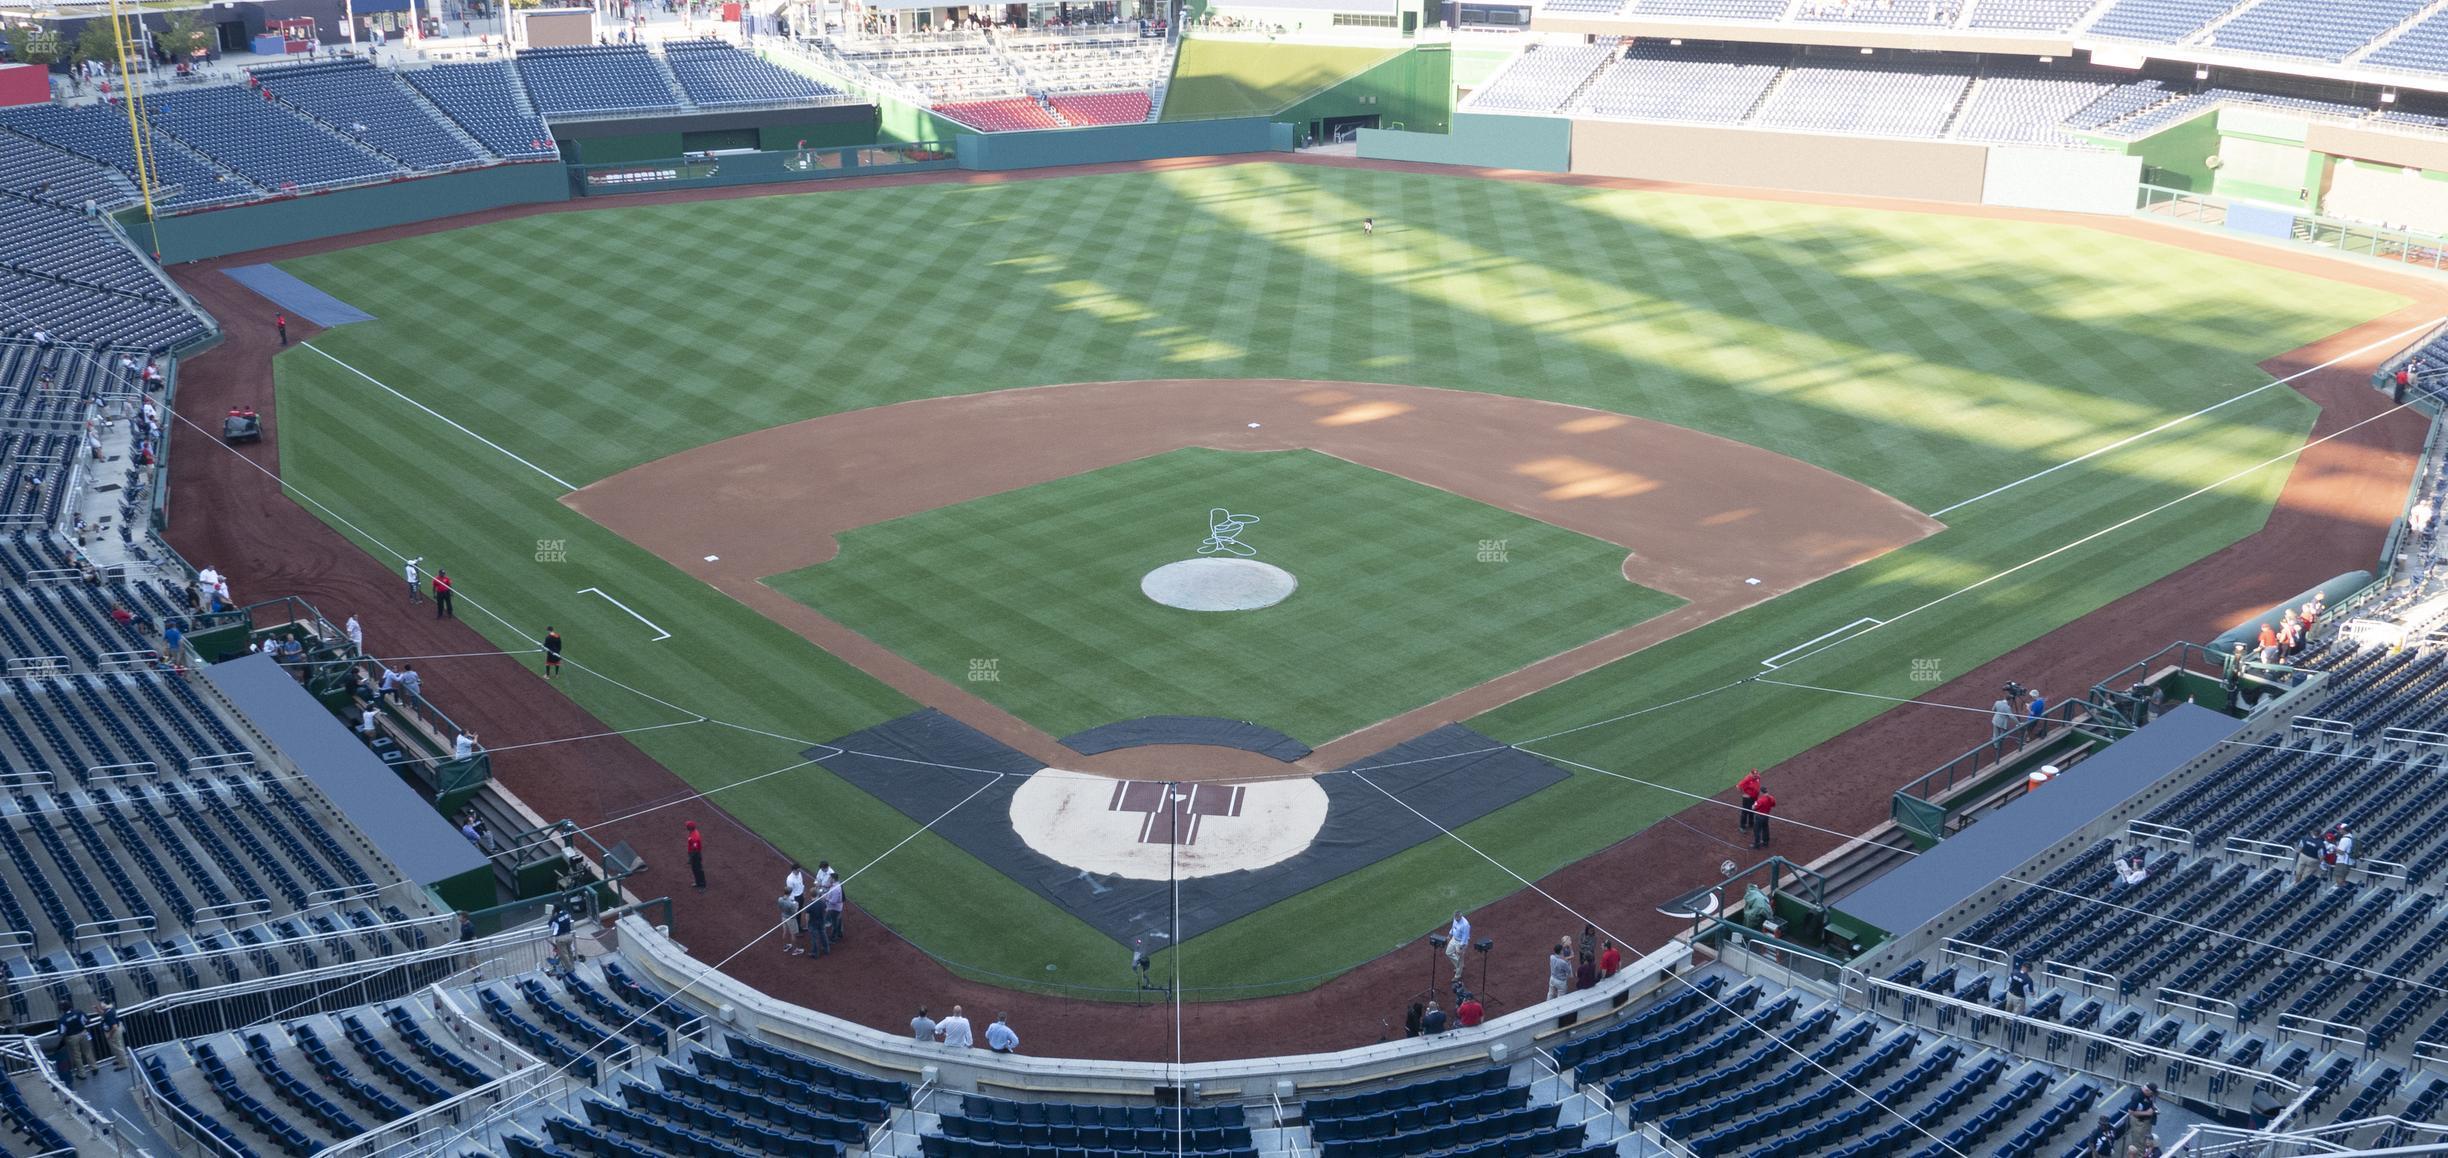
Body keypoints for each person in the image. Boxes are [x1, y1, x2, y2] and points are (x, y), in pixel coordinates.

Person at [56, 1006, 90, 1079]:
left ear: (61, 1010)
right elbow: (86, 1020)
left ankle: (82, 1074)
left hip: (72, 1037)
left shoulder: (62, 1019)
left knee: (77, 1056)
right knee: (88, 1051)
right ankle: (94, 1067)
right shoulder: (79, 1012)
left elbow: (61, 1032)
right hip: (83, 1033)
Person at [549, 905, 576, 976]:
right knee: (570, 952)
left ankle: (570, 969)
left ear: (555, 910)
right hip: (569, 936)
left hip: (561, 938)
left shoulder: (555, 918)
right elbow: (569, 919)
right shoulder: (566, 913)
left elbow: (550, 925)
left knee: (564, 954)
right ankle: (572, 966)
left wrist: (552, 915)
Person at [1446, 910, 1470, 981]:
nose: (1456, 919)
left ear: (1460, 916)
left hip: (1461, 942)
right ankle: (1460, 966)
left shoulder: (1465, 925)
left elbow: (1465, 937)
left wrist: (1461, 947)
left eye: (1457, 918)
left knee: (1460, 958)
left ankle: (1457, 976)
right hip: (1454, 939)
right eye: (1455, 917)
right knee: (1448, 953)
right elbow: (1453, 927)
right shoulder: (1455, 919)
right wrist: (1449, 935)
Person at [1737, 768, 1762, 832]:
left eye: (1756, 774)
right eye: (1754, 775)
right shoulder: (1747, 779)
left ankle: (1751, 823)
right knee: (1745, 812)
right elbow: (1738, 786)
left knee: (1752, 810)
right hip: (1747, 798)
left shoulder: (1758, 777)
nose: (1756, 776)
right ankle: (1742, 826)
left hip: (1754, 797)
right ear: (1751, 774)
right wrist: (1744, 793)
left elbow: (1757, 784)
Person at [686, 820, 705, 888]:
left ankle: (702, 885)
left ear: (690, 828)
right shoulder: (692, 832)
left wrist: (690, 858)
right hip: (693, 853)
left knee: (698, 870)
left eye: (687, 826)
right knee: (694, 869)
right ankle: (697, 882)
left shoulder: (694, 836)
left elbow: (695, 849)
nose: (686, 827)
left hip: (695, 855)